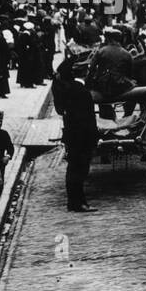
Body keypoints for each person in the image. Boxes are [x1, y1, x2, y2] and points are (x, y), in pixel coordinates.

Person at [52, 54, 98, 213]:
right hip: (81, 138)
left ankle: (75, 202)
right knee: (79, 170)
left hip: (72, 136)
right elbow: (86, 120)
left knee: (73, 169)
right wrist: (94, 137)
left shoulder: (69, 88)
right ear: (85, 73)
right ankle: (78, 203)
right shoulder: (82, 92)